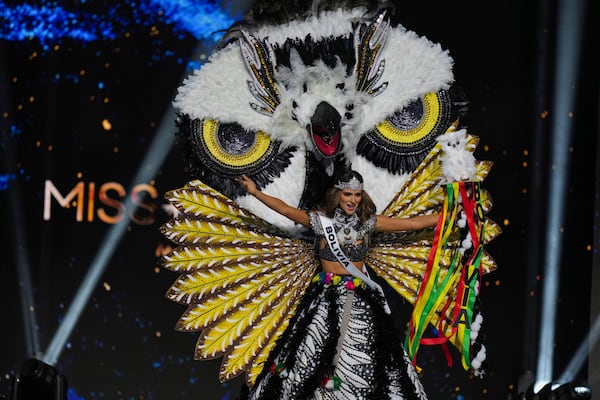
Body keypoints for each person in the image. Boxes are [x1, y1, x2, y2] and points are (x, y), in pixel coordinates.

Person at [235, 169, 439, 400]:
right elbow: (285, 209)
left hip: (359, 300)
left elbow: (412, 224)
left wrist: (453, 215)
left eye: (357, 195)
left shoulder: (368, 223)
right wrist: (254, 192)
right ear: (337, 195)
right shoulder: (321, 222)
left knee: (369, 355)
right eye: (347, 194)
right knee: (307, 354)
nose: (353, 200)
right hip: (325, 298)